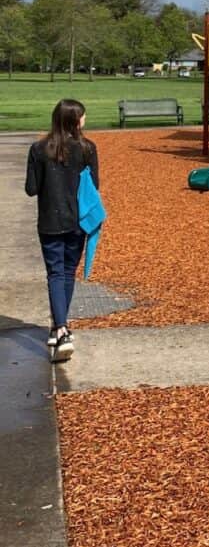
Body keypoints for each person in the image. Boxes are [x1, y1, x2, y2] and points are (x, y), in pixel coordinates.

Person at [25, 99, 99, 362]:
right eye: (83, 117)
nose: (85, 120)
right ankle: (61, 327)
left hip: (49, 221)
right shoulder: (88, 149)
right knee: (67, 273)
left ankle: (60, 328)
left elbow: (31, 188)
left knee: (55, 273)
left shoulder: (38, 149)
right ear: (74, 121)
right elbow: (95, 186)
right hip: (77, 220)